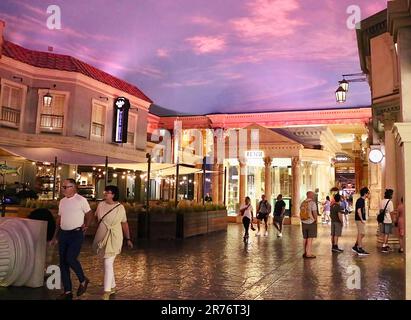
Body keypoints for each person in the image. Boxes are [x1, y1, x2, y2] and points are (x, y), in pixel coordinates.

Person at [51, 179, 94, 300]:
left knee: (70, 258)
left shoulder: (81, 200)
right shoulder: (62, 201)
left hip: (76, 234)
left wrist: (86, 225)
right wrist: (55, 236)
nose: (63, 189)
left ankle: (83, 279)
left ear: (74, 187)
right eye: (62, 186)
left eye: (65, 187)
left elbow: (90, 214)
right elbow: (59, 219)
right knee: (63, 263)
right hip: (63, 234)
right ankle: (68, 291)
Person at [92, 185, 133, 300]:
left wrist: (128, 238)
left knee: (108, 263)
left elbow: (124, 223)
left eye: (108, 192)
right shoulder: (100, 205)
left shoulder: (120, 208)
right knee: (106, 262)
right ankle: (113, 286)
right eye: (105, 192)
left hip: (114, 236)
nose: (105, 194)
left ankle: (106, 291)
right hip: (102, 235)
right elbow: (96, 218)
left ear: (113, 195)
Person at [352, 187, 370, 256]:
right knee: (361, 233)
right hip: (359, 220)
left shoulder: (362, 200)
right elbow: (359, 210)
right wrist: (362, 219)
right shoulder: (360, 200)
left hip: (360, 219)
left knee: (361, 233)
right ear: (365, 193)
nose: (369, 194)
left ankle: (356, 246)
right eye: (368, 193)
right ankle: (360, 248)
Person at [300, 191, 318, 258]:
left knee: (305, 238)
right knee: (310, 239)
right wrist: (315, 220)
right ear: (311, 195)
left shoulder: (302, 203)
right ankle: (309, 254)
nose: (313, 196)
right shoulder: (312, 203)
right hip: (311, 222)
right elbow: (315, 213)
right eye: (313, 195)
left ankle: (305, 252)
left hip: (303, 222)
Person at [380, 189, 395, 253]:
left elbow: (380, 211)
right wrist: (393, 220)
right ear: (390, 195)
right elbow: (391, 212)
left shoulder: (382, 201)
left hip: (383, 219)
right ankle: (384, 246)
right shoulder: (390, 202)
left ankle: (386, 245)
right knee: (387, 233)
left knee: (384, 233)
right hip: (388, 220)